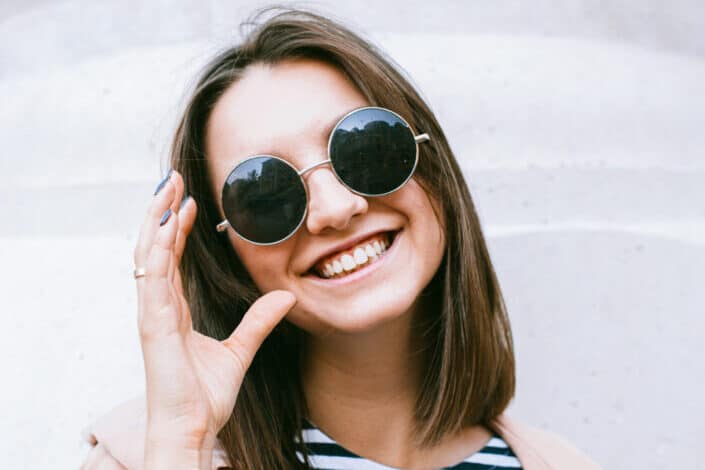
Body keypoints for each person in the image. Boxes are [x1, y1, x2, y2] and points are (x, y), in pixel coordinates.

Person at [80, 7, 599, 470]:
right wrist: (180, 443)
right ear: (228, 260)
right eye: (265, 196)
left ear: (433, 168)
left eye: (368, 148)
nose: (335, 209)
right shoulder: (145, 456)